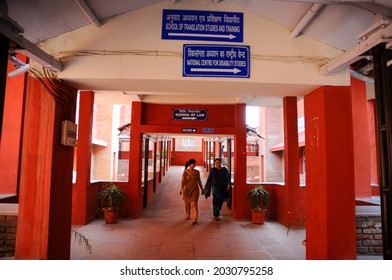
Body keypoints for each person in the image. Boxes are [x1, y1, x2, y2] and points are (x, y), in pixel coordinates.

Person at [180, 158, 204, 225]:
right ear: (189, 164)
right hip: (187, 190)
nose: (194, 165)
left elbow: (199, 181)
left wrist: (202, 189)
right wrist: (181, 189)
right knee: (187, 203)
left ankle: (194, 218)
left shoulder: (197, 172)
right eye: (192, 164)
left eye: (195, 163)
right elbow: (182, 181)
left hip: (195, 190)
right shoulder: (185, 172)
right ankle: (188, 214)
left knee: (194, 203)